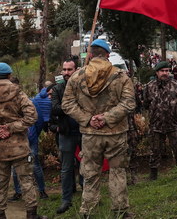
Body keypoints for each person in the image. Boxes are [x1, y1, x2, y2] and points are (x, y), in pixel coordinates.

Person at [62, 39, 136, 218]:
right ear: (108, 55)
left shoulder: (77, 76)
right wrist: (107, 118)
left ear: (90, 54)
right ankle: (120, 211)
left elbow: (67, 104)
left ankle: (88, 211)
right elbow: (129, 103)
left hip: (90, 134)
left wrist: (88, 119)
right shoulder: (120, 76)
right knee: (117, 172)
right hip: (115, 132)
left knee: (90, 173)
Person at [0, 62, 46, 219]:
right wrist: (11, 127)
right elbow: (32, 116)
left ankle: (0, 215)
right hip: (19, 148)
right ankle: (32, 215)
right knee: (26, 182)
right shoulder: (18, 94)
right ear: (10, 76)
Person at [144, 61, 177, 180]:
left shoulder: (176, 84)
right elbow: (146, 103)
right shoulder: (149, 86)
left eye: (167, 71)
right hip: (156, 124)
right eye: (162, 71)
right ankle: (153, 175)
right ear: (157, 72)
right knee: (155, 150)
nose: (165, 73)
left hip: (173, 123)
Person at [11, 83, 54, 201]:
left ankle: (41, 190)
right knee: (15, 167)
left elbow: (39, 120)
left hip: (31, 139)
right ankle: (18, 192)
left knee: (34, 165)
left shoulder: (31, 102)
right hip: (15, 141)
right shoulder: (8, 105)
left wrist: (34, 133)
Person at [50, 58, 82, 214]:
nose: (66, 73)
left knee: (86, 165)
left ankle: (88, 195)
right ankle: (66, 199)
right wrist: (72, 106)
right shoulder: (57, 89)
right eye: (64, 70)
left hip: (83, 131)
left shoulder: (82, 86)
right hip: (66, 133)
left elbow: (88, 106)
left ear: (76, 70)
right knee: (66, 168)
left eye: (69, 69)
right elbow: (55, 108)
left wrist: (68, 106)